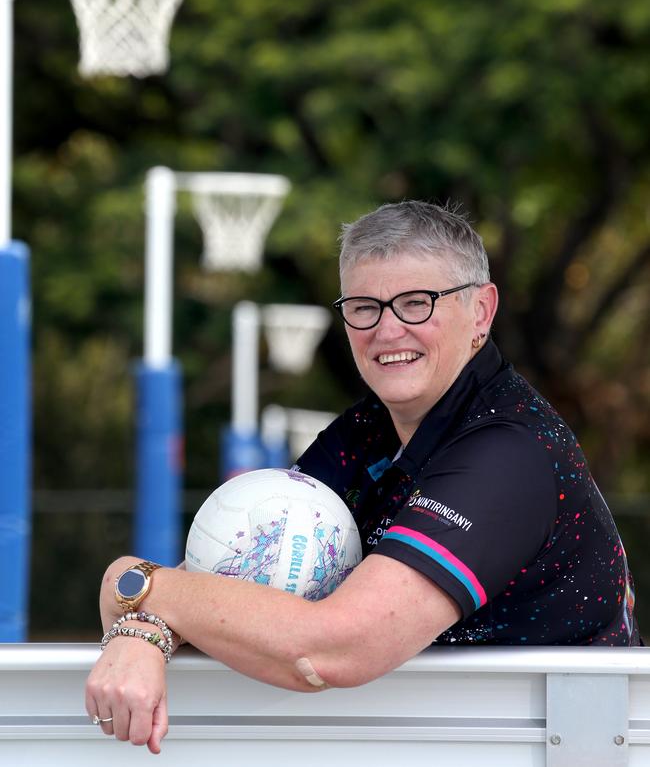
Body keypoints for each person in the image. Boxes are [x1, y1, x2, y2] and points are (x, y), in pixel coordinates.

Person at [86, 199, 640, 753]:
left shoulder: (509, 450)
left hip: (560, 745)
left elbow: (332, 650)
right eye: (364, 306)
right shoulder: (370, 428)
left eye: (417, 303)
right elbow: (228, 567)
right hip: (443, 740)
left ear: (481, 311)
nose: (387, 329)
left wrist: (138, 584)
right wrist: (144, 626)